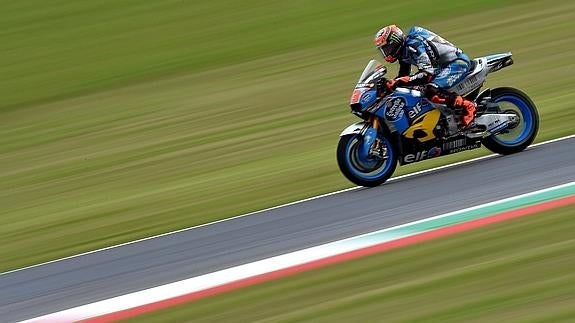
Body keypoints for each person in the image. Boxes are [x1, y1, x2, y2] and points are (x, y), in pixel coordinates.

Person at [374, 25, 476, 127]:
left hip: (456, 64)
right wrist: (388, 85)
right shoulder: (403, 51)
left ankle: (468, 106)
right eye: (384, 50)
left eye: (388, 48)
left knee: (431, 90)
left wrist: (398, 82)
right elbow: (403, 75)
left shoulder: (414, 45)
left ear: (396, 41)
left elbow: (426, 74)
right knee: (416, 89)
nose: (387, 53)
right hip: (441, 68)